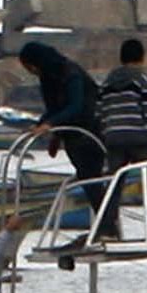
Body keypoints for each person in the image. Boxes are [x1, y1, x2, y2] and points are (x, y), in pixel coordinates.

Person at [17, 40, 106, 195]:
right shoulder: (47, 77)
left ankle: (108, 216)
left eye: (29, 67)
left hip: (90, 131)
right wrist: (47, 129)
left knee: (92, 178)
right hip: (72, 136)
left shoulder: (71, 73)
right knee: (87, 180)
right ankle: (105, 215)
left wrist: (50, 124)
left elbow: (75, 106)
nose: (31, 71)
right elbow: (53, 108)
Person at [96, 39, 147, 231]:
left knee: (113, 183)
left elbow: (99, 114)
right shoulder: (143, 79)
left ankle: (108, 229)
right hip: (136, 138)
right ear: (141, 57)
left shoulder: (107, 81)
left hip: (112, 138)